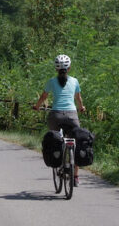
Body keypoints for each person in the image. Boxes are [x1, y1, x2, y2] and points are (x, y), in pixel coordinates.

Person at [32, 54, 86, 185]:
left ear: (56, 69)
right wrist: (82, 107)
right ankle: (76, 176)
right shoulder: (75, 81)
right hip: (72, 115)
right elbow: (78, 99)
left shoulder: (51, 81)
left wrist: (37, 107)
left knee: (55, 140)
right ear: (69, 68)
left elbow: (44, 97)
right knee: (76, 142)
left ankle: (58, 159)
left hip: (56, 115)